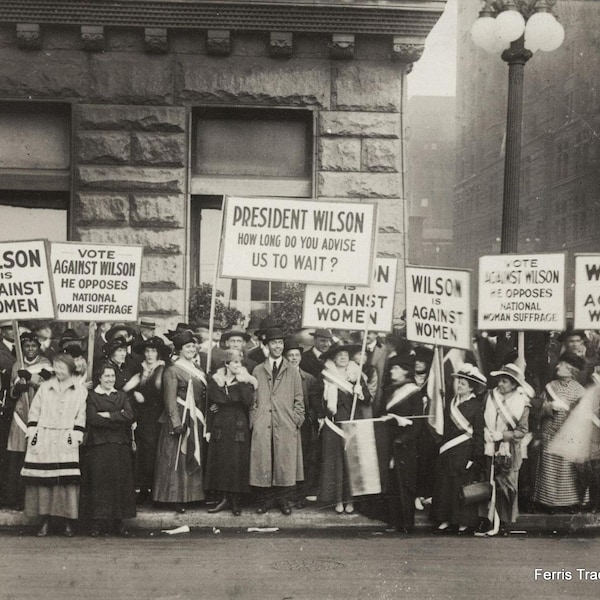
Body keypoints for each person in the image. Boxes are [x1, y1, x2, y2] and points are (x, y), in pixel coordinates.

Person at [21, 353, 87, 537]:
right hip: (45, 438)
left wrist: (75, 435)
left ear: (70, 368)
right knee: (44, 482)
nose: (58, 370)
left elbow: (81, 415)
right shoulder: (45, 387)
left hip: (66, 438)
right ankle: (44, 521)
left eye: (62, 367)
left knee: (66, 483)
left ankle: (67, 522)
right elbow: (34, 412)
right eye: (56, 366)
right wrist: (33, 433)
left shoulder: (80, 390)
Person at [250, 327, 305, 515]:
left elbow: (299, 399)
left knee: (284, 462)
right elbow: (253, 399)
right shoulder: (258, 370)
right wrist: (255, 420)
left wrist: (296, 419)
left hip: (285, 423)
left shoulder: (292, 370)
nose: (278, 346)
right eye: (274, 343)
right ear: (266, 346)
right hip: (263, 422)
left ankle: (283, 501)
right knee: (265, 461)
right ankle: (265, 501)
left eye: (280, 343)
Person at [153, 330, 206, 513]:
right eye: (187, 347)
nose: (191, 349)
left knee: (191, 454)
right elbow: (169, 398)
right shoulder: (172, 370)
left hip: (195, 417)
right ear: (180, 350)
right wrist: (176, 423)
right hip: (179, 418)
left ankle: (192, 495)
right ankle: (173, 497)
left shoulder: (198, 369)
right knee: (176, 458)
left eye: (193, 346)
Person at [81, 362, 136, 536]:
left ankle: (118, 522)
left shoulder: (120, 395)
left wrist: (109, 415)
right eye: (106, 376)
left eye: (112, 376)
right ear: (99, 378)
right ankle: (97, 522)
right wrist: (117, 418)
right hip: (99, 446)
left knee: (119, 483)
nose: (110, 379)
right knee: (99, 484)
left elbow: (129, 415)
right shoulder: (92, 396)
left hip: (120, 445)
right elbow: (93, 419)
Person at [432, 363, 487, 535]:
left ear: (471, 387)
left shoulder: (476, 406)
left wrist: (475, 457)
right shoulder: (450, 403)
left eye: (463, 383)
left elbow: (478, 433)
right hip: (449, 451)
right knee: (445, 486)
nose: (459, 385)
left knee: (460, 488)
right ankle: (446, 519)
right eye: (458, 382)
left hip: (465, 452)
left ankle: (463, 522)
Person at [318, 343, 371, 514]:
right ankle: (337, 500)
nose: (343, 357)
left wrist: (360, 391)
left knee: (351, 464)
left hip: (352, 423)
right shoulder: (326, 376)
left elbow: (368, 399)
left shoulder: (356, 375)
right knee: (335, 464)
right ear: (333, 358)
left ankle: (350, 500)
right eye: (339, 355)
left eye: (346, 355)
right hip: (334, 424)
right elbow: (319, 401)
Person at [204, 349, 257, 516]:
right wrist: (208, 427)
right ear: (226, 364)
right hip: (220, 424)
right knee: (221, 462)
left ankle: (235, 501)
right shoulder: (216, 380)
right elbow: (211, 402)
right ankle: (224, 498)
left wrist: (241, 382)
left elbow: (248, 401)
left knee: (236, 462)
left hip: (238, 424)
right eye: (235, 362)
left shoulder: (246, 381)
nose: (238, 365)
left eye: (240, 363)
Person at [481, 363, 532, 535]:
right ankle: (488, 519)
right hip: (488, 445)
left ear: (514, 385)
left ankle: (503, 522)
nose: (500, 385)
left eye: (505, 382)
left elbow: (522, 431)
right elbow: (481, 418)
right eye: (500, 381)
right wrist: (486, 432)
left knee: (506, 486)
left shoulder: (522, 403)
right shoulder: (489, 396)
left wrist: (502, 436)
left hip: (509, 450)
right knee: (489, 483)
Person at [532, 352, 586, 512]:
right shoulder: (550, 387)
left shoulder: (579, 390)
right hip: (550, 435)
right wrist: (548, 407)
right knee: (549, 471)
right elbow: (538, 410)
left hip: (569, 437)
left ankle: (569, 503)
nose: (557, 367)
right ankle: (549, 504)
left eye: (561, 365)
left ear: (571, 369)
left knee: (567, 472)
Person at [5, 332, 52, 510]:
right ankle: (17, 499)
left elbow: (45, 384)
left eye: (33, 346)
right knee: (18, 456)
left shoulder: (46, 363)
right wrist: (18, 387)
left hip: (39, 413)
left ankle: (35, 500)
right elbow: (12, 392)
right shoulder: (18, 364)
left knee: (36, 455)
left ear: (38, 347)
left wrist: (30, 380)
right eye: (27, 346)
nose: (30, 349)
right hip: (20, 414)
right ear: (22, 348)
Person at [126, 336, 171, 503]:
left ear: (158, 353)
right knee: (143, 453)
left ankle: (155, 490)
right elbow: (126, 389)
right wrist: (134, 394)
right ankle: (144, 488)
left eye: (153, 351)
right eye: (147, 351)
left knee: (154, 452)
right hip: (143, 417)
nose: (150, 354)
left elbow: (164, 392)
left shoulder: (163, 369)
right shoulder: (141, 371)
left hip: (158, 416)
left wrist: (143, 396)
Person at [382, 353, 423, 532]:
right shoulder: (390, 389)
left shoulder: (414, 392)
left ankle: (407, 523)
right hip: (390, 441)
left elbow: (418, 422)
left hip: (405, 443)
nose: (392, 371)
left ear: (405, 371)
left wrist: (404, 436)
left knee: (405, 483)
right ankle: (394, 521)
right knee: (392, 483)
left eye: (395, 368)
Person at [285, 340, 322, 505]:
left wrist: (309, 418)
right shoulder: (280, 377)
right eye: (290, 355)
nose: (294, 358)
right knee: (287, 458)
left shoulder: (309, 379)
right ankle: (287, 494)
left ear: (300, 357)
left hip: (303, 426)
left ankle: (301, 495)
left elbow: (315, 404)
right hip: (285, 424)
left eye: (296, 355)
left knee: (304, 458)